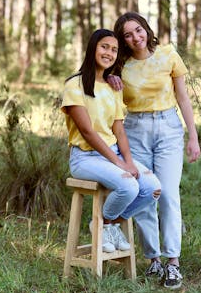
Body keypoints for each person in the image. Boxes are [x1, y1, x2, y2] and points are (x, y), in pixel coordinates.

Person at [108, 12, 201, 289]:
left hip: (168, 128)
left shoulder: (168, 54)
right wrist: (111, 80)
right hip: (134, 130)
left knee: (169, 194)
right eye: (128, 34)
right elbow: (96, 84)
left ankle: (173, 262)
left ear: (146, 29)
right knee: (147, 193)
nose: (136, 37)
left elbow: (183, 98)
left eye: (139, 30)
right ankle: (153, 260)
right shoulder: (120, 66)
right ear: (123, 40)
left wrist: (193, 137)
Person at [61, 29, 162, 254]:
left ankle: (111, 223)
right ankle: (101, 224)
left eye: (114, 49)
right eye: (104, 47)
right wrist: (119, 163)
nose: (109, 53)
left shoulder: (112, 86)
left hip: (113, 153)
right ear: (93, 48)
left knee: (153, 188)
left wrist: (129, 162)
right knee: (128, 185)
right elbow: (87, 132)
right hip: (85, 157)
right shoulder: (74, 85)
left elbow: (119, 130)